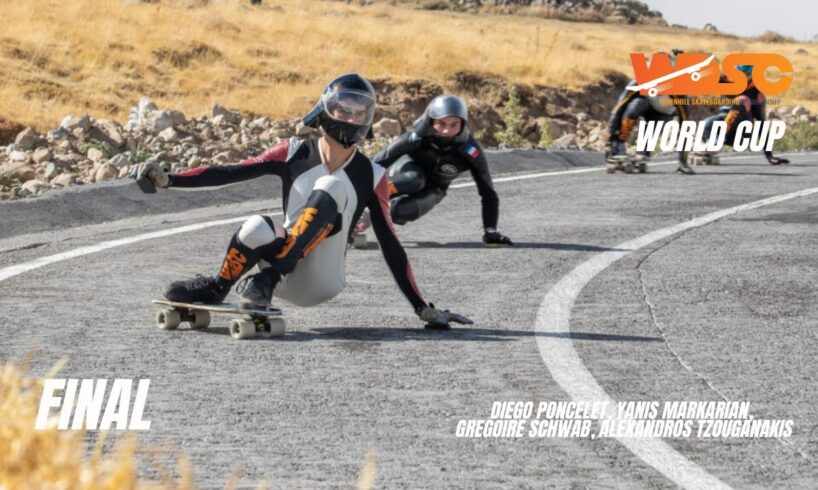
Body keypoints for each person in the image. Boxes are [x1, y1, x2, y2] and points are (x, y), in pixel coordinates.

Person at [136, 73, 471, 329]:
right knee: (257, 225)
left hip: (320, 281)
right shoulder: (293, 152)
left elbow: (390, 244)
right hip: (278, 281)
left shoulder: (372, 175)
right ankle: (218, 287)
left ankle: (266, 279)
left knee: (331, 186)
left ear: (367, 120)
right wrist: (169, 180)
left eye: (359, 112)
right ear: (326, 110)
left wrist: (420, 306)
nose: (351, 117)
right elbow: (230, 172)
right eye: (344, 108)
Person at [371, 95, 513, 246]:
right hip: (406, 172)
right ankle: (371, 200)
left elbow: (488, 192)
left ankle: (378, 212)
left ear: (463, 124)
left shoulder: (470, 150)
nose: (447, 131)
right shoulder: (416, 139)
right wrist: (352, 191)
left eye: (454, 125)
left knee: (400, 212)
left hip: (436, 188)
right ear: (431, 121)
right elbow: (375, 163)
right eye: (441, 124)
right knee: (414, 179)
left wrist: (490, 230)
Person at [607, 51, 694, 175]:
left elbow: (685, 125)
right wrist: (611, 139)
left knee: (656, 125)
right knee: (633, 107)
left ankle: (643, 152)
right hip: (646, 104)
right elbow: (619, 107)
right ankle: (619, 145)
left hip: (664, 112)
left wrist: (683, 162)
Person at [692, 65, 790, 166]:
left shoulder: (757, 94)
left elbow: (761, 125)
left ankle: (715, 142)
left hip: (741, 133)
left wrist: (769, 155)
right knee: (706, 123)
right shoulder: (725, 80)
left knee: (742, 100)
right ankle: (703, 147)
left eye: (746, 75)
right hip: (723, 123)